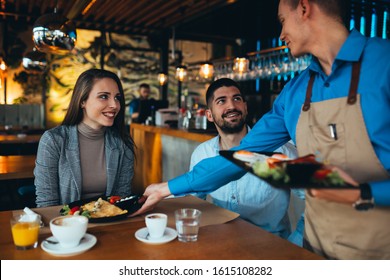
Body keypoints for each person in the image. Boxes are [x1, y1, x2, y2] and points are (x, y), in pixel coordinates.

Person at [134, 0, 390, 259]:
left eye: (282, 21)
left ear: (304, 8)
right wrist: (166, 188)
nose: (281, 34)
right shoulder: (294, 92)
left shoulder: (385, 62)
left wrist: (364, 193)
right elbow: (241, 157)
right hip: (315, 251)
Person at [189, 78, 302, 241]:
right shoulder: (202, 154)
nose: (232, 106)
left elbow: (318, 200)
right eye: (222, 101)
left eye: (237, 99)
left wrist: (296, 242)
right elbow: (194, 204)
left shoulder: (280, 151)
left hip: (271, 250)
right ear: (209, 115)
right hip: (221, 246)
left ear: (245, 107)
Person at [34, 69, 135, 207]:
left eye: (117, 97)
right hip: (65, 224)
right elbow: (47, 203)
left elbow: (121, 200)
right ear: (82, 101)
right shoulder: (53, 140)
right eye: (104, 96)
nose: (114, 105)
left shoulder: (123, 143)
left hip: (109, 221)